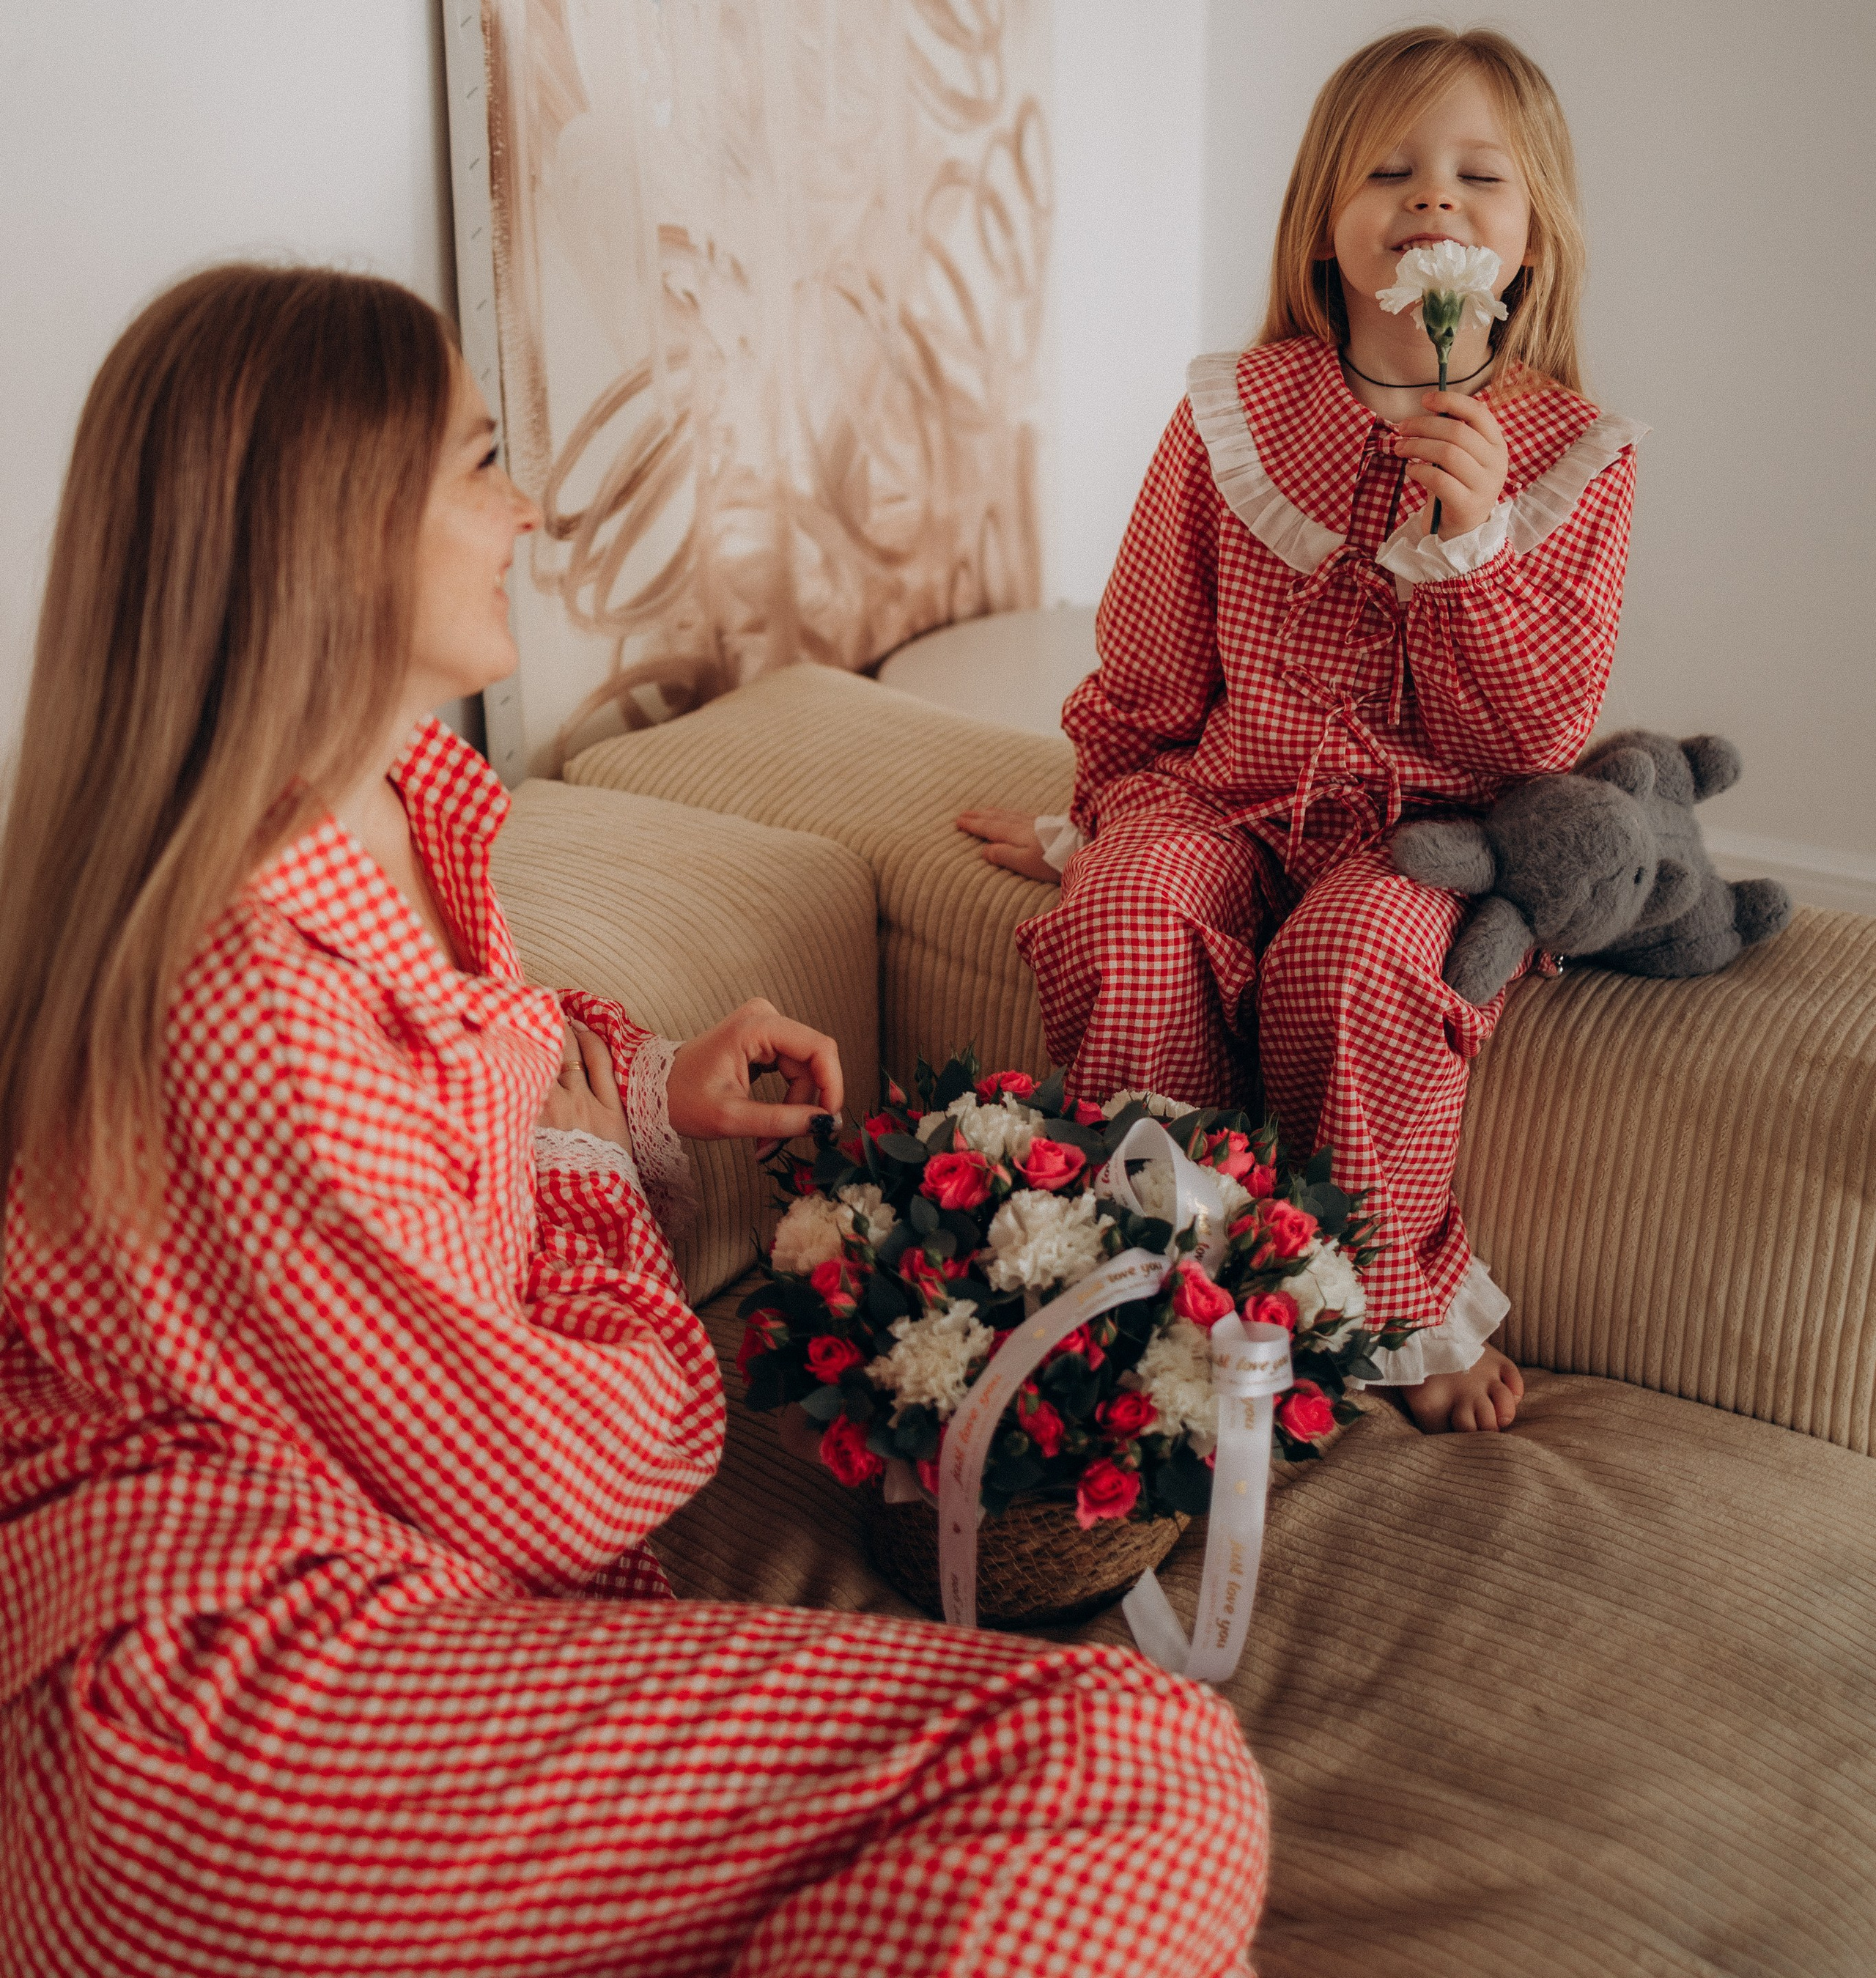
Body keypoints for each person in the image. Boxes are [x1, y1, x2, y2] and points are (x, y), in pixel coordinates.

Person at [0, 265, 1265, 1978]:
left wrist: (645, 1084)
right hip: (219, 1729)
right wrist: (598, 1192)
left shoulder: (396, 813)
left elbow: (461, 1090)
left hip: (362, 1650)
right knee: (1133, 1763)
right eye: (476, 463)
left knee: (1107, 1795)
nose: (522, 507)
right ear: (328, 527)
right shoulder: (243, 986)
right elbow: (565, 1475)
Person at [960, 26, 1641, 1438]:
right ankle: (1153, 1273)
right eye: (1390, 170)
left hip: (1430, 840)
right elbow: (1152, 666)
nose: (1435, 202)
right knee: (1134, 908)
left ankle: (1388, 1298)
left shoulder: (1574, 452)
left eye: (1478, 180)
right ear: (1324, 228)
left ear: (1536, 240)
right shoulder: (1234, 414)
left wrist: (1477, 549)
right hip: (1228, 801)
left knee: (1351, 958)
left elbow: (1541, 734)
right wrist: (1096, 826)